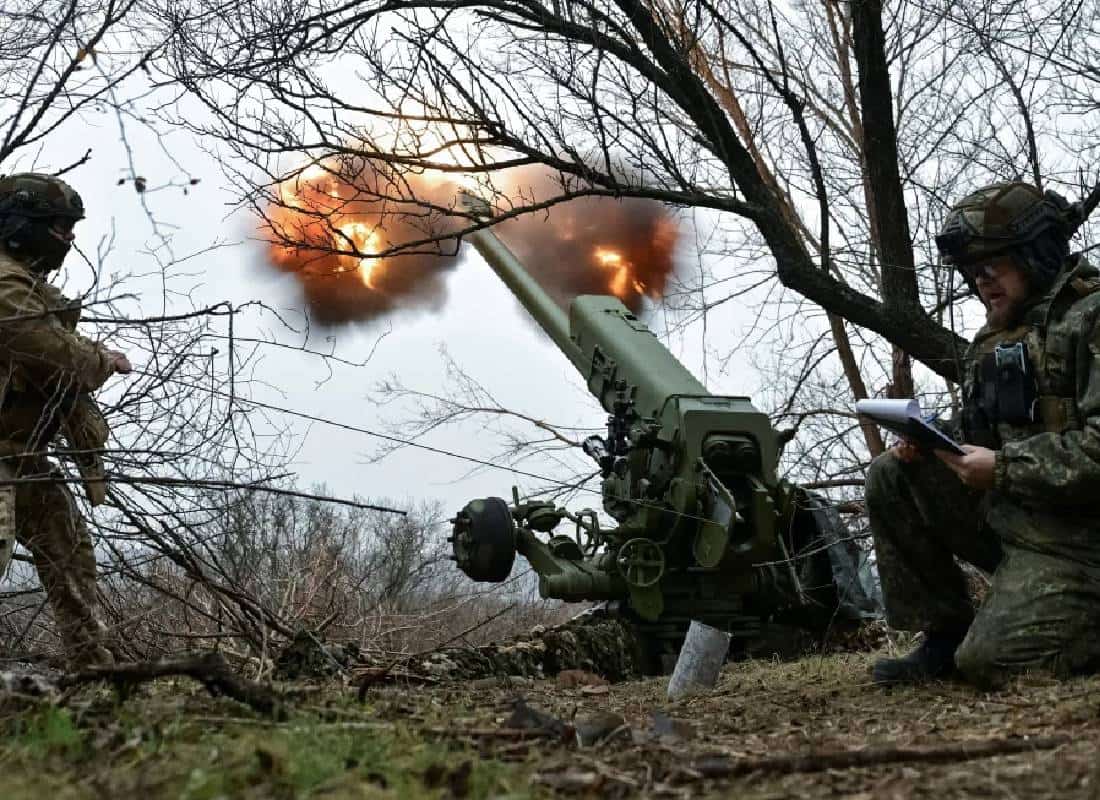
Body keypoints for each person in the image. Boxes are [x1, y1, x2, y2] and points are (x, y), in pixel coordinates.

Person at [867, 181, 1100, 687]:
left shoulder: (1092, 317)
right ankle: (945, 632)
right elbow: (980, 432)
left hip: (1082, 545)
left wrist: (1004, 468)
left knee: (990, 662)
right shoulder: (997, 335)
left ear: (1032, 253)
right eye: (973, 270)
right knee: (892, 474)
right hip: (1018, 520)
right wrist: (932, 440)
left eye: (991, 264)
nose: (980, 280)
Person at [0, 172, 131, 666]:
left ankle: (94, 672)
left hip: (24, 459)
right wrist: (102, 359)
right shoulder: (5, 286)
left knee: (70, 553)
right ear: (22, 225)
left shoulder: (24, 283)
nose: (68, 240)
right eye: (58, 228)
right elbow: (51, 351)